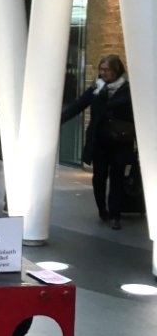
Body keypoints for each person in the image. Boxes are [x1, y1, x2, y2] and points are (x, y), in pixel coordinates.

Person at [61, 53, 135, 230]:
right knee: (99, 177)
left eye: (107, 70)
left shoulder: (127, 90)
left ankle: (116, 214)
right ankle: (103, 210)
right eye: (101, 70)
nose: (103, 73)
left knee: (117, 177)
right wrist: (58, 119)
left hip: (120, 141)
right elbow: (78, 105)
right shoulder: (96, 89)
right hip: (99, 141)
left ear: (116, 70)